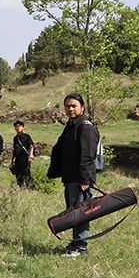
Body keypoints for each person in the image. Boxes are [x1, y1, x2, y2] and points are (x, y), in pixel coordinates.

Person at [47, 93, 100, 258]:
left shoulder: (85, 127)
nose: (70, 109)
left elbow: (87, 155)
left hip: (80, 179)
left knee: (81, 213)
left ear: (82, 108)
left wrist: (85, 179)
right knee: (74, 212)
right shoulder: (71, 125)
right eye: (67, 106)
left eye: (74, 106)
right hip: (70, 178)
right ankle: (76, 242)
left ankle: (81, 246)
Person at [11, 120, 34, 189]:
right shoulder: (15, 138)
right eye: (16, 126)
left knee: (26, 174)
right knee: (18, 175)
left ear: (22, 127)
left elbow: (31, 146)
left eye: (19, 126)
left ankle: (30, 188)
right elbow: (14, 149)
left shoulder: (27, 136)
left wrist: (30, 156)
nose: (18, 128)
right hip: (18, 159)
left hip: (25, 159)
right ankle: (21, 189)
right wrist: (12, 160)